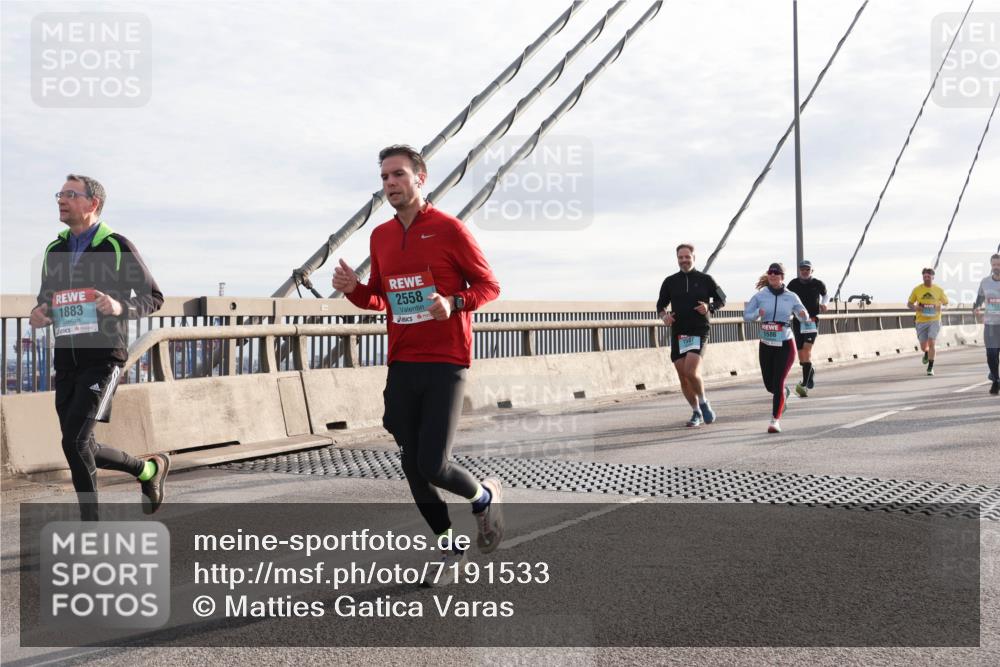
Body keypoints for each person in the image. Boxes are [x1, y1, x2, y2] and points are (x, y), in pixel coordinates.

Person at [333, 145, 503, 583]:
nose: (390, 184)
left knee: (432, 464)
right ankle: (449, 547)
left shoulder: (451, 230)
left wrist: (454, 302)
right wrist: (354, 288)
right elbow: (379, 299)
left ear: (420, 178)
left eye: (399, 175)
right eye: (385, 177)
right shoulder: (381, 237)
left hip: (446, 362)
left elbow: (489, 285)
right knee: (413, 463)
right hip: (402, 362)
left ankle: (483, 495)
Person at [29, 174, 167, 521]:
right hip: (67, 359)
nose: (61, 200)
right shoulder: (54, 249)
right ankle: (148, 470)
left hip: (104, 358)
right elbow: (47, 298)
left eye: (70, 194)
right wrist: (41, 312)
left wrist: (121, 306)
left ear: (93, 204)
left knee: (75, 443)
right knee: (80, 444)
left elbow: (154, 297)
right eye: (59, 193)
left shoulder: (116, 246)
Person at [655, 244, 727, 427]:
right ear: (677, 259)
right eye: (681, 257)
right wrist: (665, 316)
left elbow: (722, 299)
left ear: (694, 257)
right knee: (683, 376)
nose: (684, 260)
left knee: (691, 371)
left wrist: (709, 307)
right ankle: (696, 412)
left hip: (699, 330)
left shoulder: (706, 279)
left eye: (687, 257)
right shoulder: (670, 281)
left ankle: (703, 402)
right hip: (679, 332)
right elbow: (660, 306)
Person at [744, 263, 810, 433]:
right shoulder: (760, 296)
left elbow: (803, 315)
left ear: (782, 276)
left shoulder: (791, 296)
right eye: (770, 273)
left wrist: (802, 315)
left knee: (778, 381)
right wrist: (757, 314)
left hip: (785, 343)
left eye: (776, 273)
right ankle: (783, 392)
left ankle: (775, 420)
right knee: (769, 385)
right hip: (766, 344)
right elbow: (747, 316)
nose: (773, 275)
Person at [787, 260, 827, 397]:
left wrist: (824, 303)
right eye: (802, 269)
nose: (805, 271)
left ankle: (804, 382)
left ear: (811, 271)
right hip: (798, 321)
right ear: (799, 270)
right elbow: (786, 297)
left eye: (807, 269)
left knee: (806, 349)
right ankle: (810, 372)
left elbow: (825, 295)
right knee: (801, 353)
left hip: (811, 320)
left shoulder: (818, 284)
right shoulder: (793, 284)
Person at [906, 268, 949, 376]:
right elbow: (909, 303)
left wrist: (942, 307)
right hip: (921, 321)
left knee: (931, 342)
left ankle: (930, 367)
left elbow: (946, 303)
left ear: (933, 277)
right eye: (924, 276)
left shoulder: (939, 290)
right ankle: (926, 353)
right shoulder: (917, 289)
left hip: (934, 320)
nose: (926, 278)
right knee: (923, 346)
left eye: (928, 277)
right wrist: (916, 308)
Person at [973, 253, 1000, 395]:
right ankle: (996, 380)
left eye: (999, 265)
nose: (996, 267)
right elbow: (979, 299)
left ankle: (995, 377)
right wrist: (976, 307)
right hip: (990, 325)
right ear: (991, 265)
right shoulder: (985, 282)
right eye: (994, 265)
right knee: (991, 354)